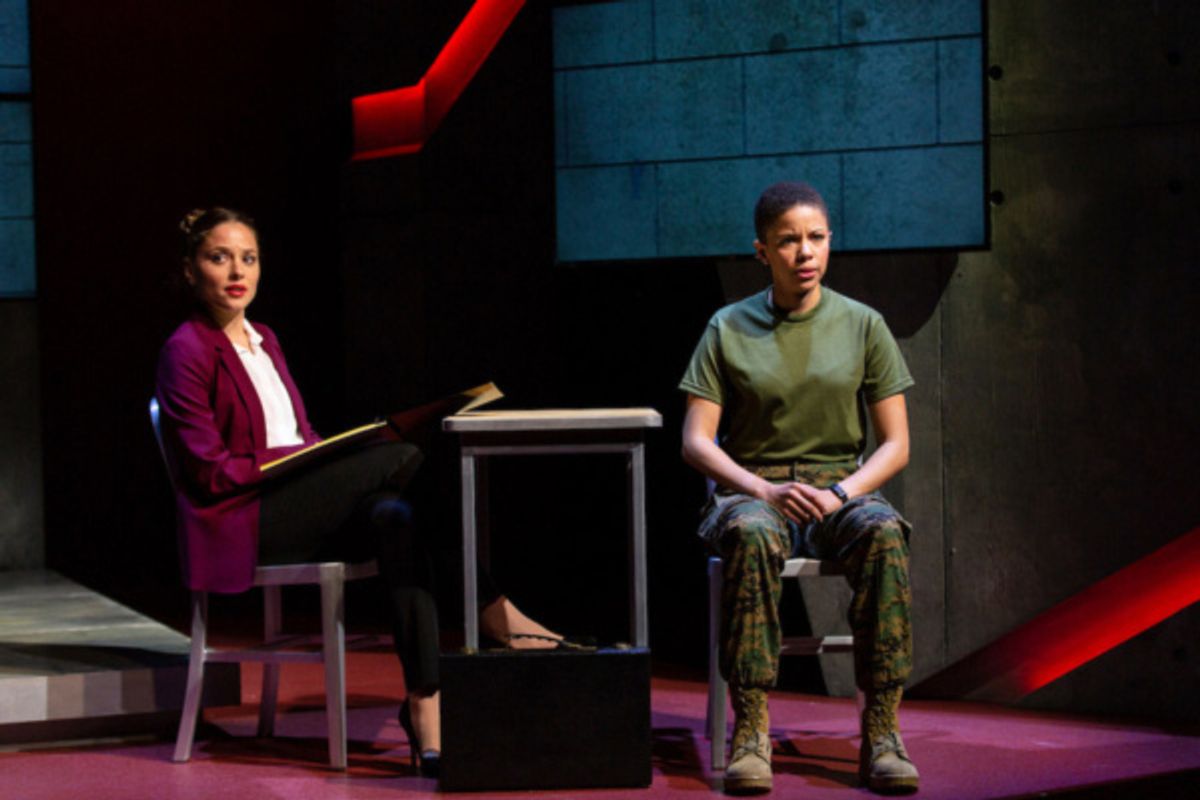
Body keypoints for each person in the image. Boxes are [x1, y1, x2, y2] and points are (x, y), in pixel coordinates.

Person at [155, 207, 563, 777]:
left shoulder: (264, 338)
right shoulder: (186, 350)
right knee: (405, 457)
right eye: (218, 257)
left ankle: (425, 702)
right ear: (190, 270)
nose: (236, 271)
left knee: (397, 515)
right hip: (242, 516)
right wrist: (305, 463)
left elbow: (300, 435)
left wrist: (327, 454)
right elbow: (208, 472)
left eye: (248, 258)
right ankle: (496, 613)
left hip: (293, 496)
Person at [679, 183, 919, 795]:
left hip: (839, 488)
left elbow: (895, 443)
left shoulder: (863, 324)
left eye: (815, 238)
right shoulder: (728, 327)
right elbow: (697, 442)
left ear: (829, 242)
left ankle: (883, 726)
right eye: (788, 241)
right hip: (753, 490)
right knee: (754, 534)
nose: (804, 252)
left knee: (884, 532)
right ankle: (752, 726)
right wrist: (760, 488)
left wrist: (841, 494)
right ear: (763, 251)